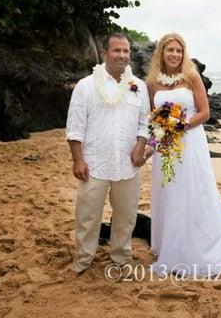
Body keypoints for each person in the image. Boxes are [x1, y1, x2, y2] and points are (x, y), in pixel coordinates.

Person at [146, 32, 221, 277]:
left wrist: (178, 126)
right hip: (167, 147)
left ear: (184, 54)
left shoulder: (191, 77)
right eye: (170, 50)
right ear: (161, 53)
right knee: (169, 192)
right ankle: (171, 247)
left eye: (179, 50)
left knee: (194, 191)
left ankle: (199, 248)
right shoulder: (153, 83)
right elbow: (155, 120)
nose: (174, 54)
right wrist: (151, 146)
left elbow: (204, 113)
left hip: (191, 143)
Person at [64, 33, 152, 278]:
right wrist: (78, 159)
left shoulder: (139, 87)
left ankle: (121, 259)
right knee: (87, 216)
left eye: (125, 51)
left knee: (125, 216)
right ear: (105, 53)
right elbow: (74, 128)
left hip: (128, 165)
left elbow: (145, 123)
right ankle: (82, 260)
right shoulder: (85, 86)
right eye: (117, 51)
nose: (122, 56)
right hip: (94, 164)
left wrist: (140, 145)